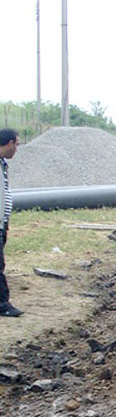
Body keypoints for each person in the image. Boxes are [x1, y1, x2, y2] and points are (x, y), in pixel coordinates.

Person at [0, 128, 22, 317]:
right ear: (9, 144)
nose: (17, 149)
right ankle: (2, 304)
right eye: (17, 144)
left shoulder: (3, 163)